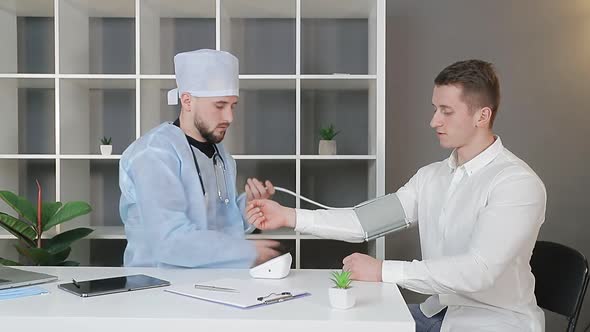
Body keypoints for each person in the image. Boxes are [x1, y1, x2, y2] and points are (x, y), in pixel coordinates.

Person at [246, 60, 547, 331]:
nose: (434, 121)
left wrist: (381, 270)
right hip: (436, 313)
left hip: (494, 322)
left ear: (482, 116)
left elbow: (478, 271)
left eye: (446, 111)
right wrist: (289, 215)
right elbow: (364, 222)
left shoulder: (516, 183)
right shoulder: (432, 176)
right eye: (435, 108)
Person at [119, 49, 280, 268]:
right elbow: (170, 241)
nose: (229, 117)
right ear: (187, 101)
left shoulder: (221, 155)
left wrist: (249, 208)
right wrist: (245, 251)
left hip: (212, 281)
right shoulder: (153, 154)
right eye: (219, 105)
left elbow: (221, 225)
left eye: (233, 106)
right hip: (158, 288)